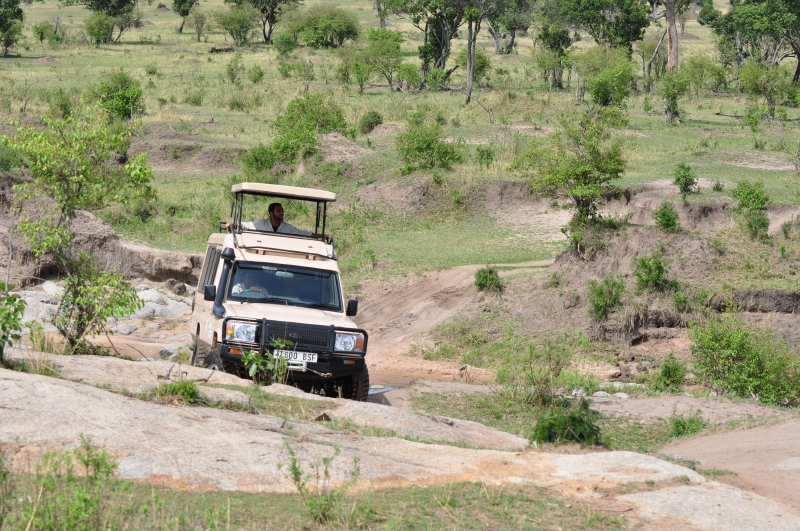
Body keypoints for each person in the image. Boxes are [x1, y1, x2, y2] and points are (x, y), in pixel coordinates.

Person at [227, 203, 311, 236]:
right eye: (278, 211)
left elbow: (301, 232)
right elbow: (246, 225)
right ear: (271, 213)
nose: (281, 213)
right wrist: (233, 225)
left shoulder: (287, 227)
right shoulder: (260, 224)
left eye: (282, 211)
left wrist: (317, 235)